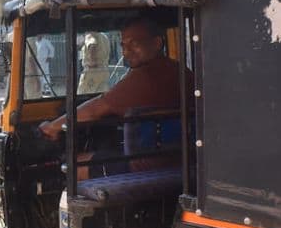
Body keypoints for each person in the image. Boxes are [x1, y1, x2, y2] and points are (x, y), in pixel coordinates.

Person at [39, 18, 185, 142]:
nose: (126, 52)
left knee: (78, 164)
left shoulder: (146, 76)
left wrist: (52, 127)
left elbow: (94, 110)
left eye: (134, 44)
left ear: (157, 43)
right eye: (123, 46)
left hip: (148, 162)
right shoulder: (179, 70)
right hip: (170, 154)